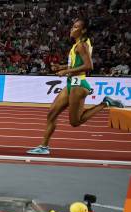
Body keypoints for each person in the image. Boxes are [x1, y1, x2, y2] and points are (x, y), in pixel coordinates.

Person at [27, 18, 125, 155]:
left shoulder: (82, 45)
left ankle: (105, 103)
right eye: (72, 26)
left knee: (75, 122)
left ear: (83, 30)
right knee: (51, 114)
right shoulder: (77, 45)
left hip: (78, 84)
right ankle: (44, 147)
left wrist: (66, 71)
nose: (72, 29)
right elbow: (76, 65)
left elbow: (88, 66)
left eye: (75, 27)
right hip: (71, 83)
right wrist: (61, 67)